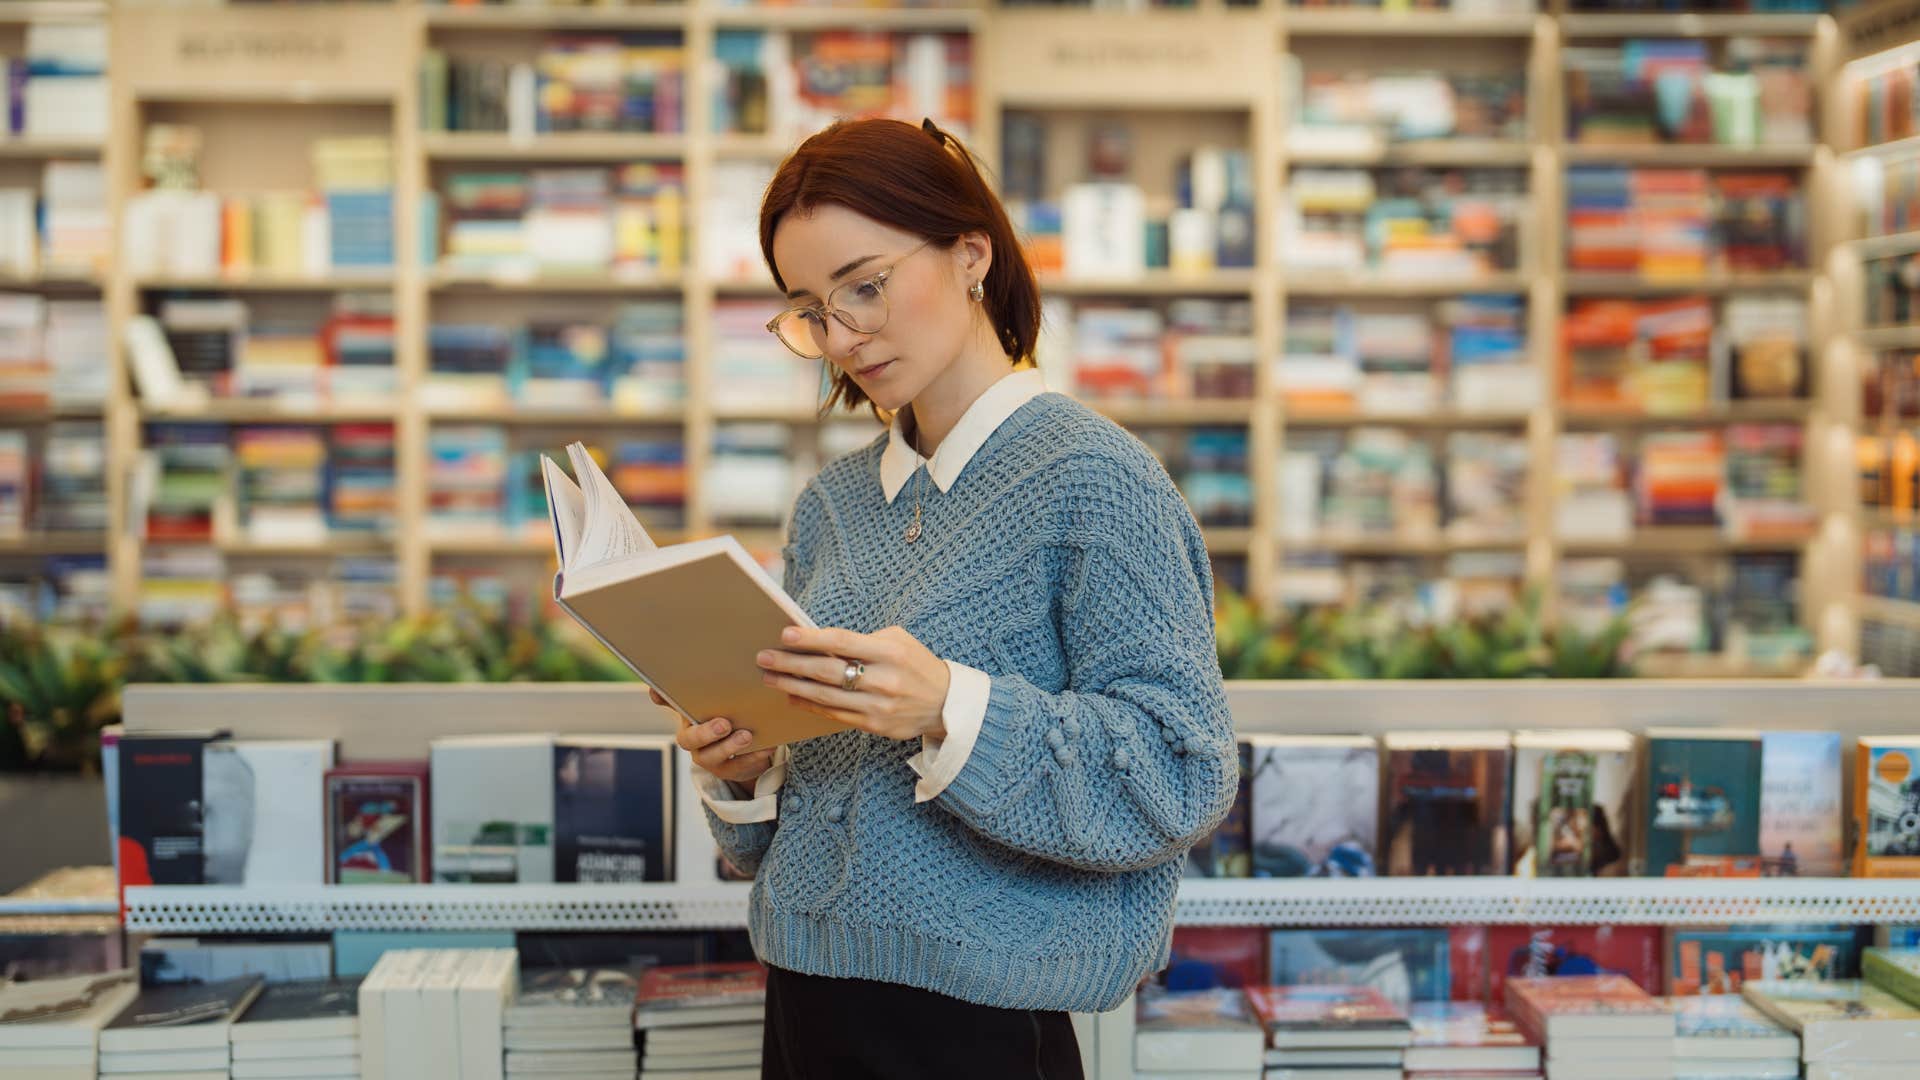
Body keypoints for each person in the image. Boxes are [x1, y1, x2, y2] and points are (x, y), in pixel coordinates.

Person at [654, 116, 1237, 1079]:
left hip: (983, 1024)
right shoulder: (832, 506)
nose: (843, 336)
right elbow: (774, 844)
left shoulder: (1094, 479)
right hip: (804, 1004)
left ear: (971, 254)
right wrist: (744, 766)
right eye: (810, 309)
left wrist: (947, 708)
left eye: (866, 287)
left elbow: (1180, 771)